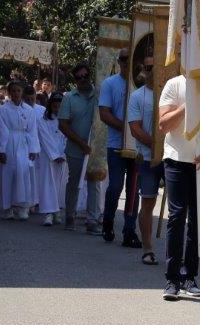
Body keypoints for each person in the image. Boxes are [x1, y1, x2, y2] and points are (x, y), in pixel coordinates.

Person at [158, 73, 200, 301]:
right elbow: (164, 124)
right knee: (177, 215)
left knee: (198, 219)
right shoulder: (174, 84)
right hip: (176, 159)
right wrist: (187, 105)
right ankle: (172, 279)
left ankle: (189, 276)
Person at [99, 48, 140, 247]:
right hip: (116, 143)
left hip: (137, 145)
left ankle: (129, 231)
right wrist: (126, 128)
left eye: (130, 59)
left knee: (134, 188)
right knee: (115, 186)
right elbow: (104, 114)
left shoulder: (141, 84)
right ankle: (108, 221)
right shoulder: (110, 83)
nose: (126, 62)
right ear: (119, 61)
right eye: (123, 59)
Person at [58, 62, 101, 233]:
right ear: (75, 79)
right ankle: (70, 216)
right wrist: (81, 143)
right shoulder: (69, 97)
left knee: (94, 182)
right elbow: (63, 124)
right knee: (74, 183)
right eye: (79, 77)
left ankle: (92, 220)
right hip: (75, 148)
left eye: (85, 75)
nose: (83, 79)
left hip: (95, 148)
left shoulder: (99, 95)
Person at [127, 57, 162, 265]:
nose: (152, 70)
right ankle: (147, 248)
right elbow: (135, 129)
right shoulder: (137, 96)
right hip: (148, 156)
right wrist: (156, 145)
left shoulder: (168, 92)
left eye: (155, 66)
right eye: (148, 67)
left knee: (177, 205)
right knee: (148, 201)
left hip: (169, 156)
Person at [0, 81, 40, 221]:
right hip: (9, 142)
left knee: (24, 173)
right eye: (13, 91)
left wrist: (33, 148)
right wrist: (1, 150)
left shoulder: (29, 110)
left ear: (22, 92)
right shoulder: (3, 110)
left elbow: (32, 130)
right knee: (8, 174)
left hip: (24, 144)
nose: (16, 93)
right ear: (9, 93)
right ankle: (7, 208)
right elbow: (1, 130)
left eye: (18, 91)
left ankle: (23, 207)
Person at [36, 92, 68, 226]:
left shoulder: (67, 121)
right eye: (55, 106)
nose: (57, 109)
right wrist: (55, 154)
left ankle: (57, 211)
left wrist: (62, 154)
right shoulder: (43, 120)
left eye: (60, 106)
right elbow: (44, 138)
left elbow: (67, 137)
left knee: (60, 184)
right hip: (48, 156)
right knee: (48, 184)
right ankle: (48, 213)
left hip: (62, 157)